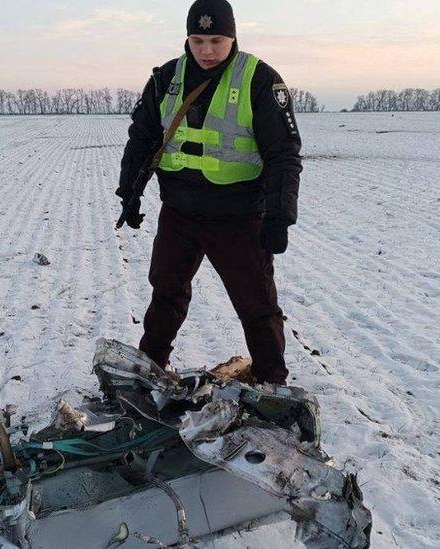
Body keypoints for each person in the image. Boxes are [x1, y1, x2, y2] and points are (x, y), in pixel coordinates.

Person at [116, 0, 302, 385]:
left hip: (238, 216)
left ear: (232, 37)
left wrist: (278, 217)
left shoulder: (259, 79)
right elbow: (142, 139)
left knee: (257, 307)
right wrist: (129, 193)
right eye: (197, 40)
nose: (206, 50)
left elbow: (283, 155)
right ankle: (149, 372)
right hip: (179, 213)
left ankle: (273, 385)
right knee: (165, 293)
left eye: (216, 40)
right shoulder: (166, 78)